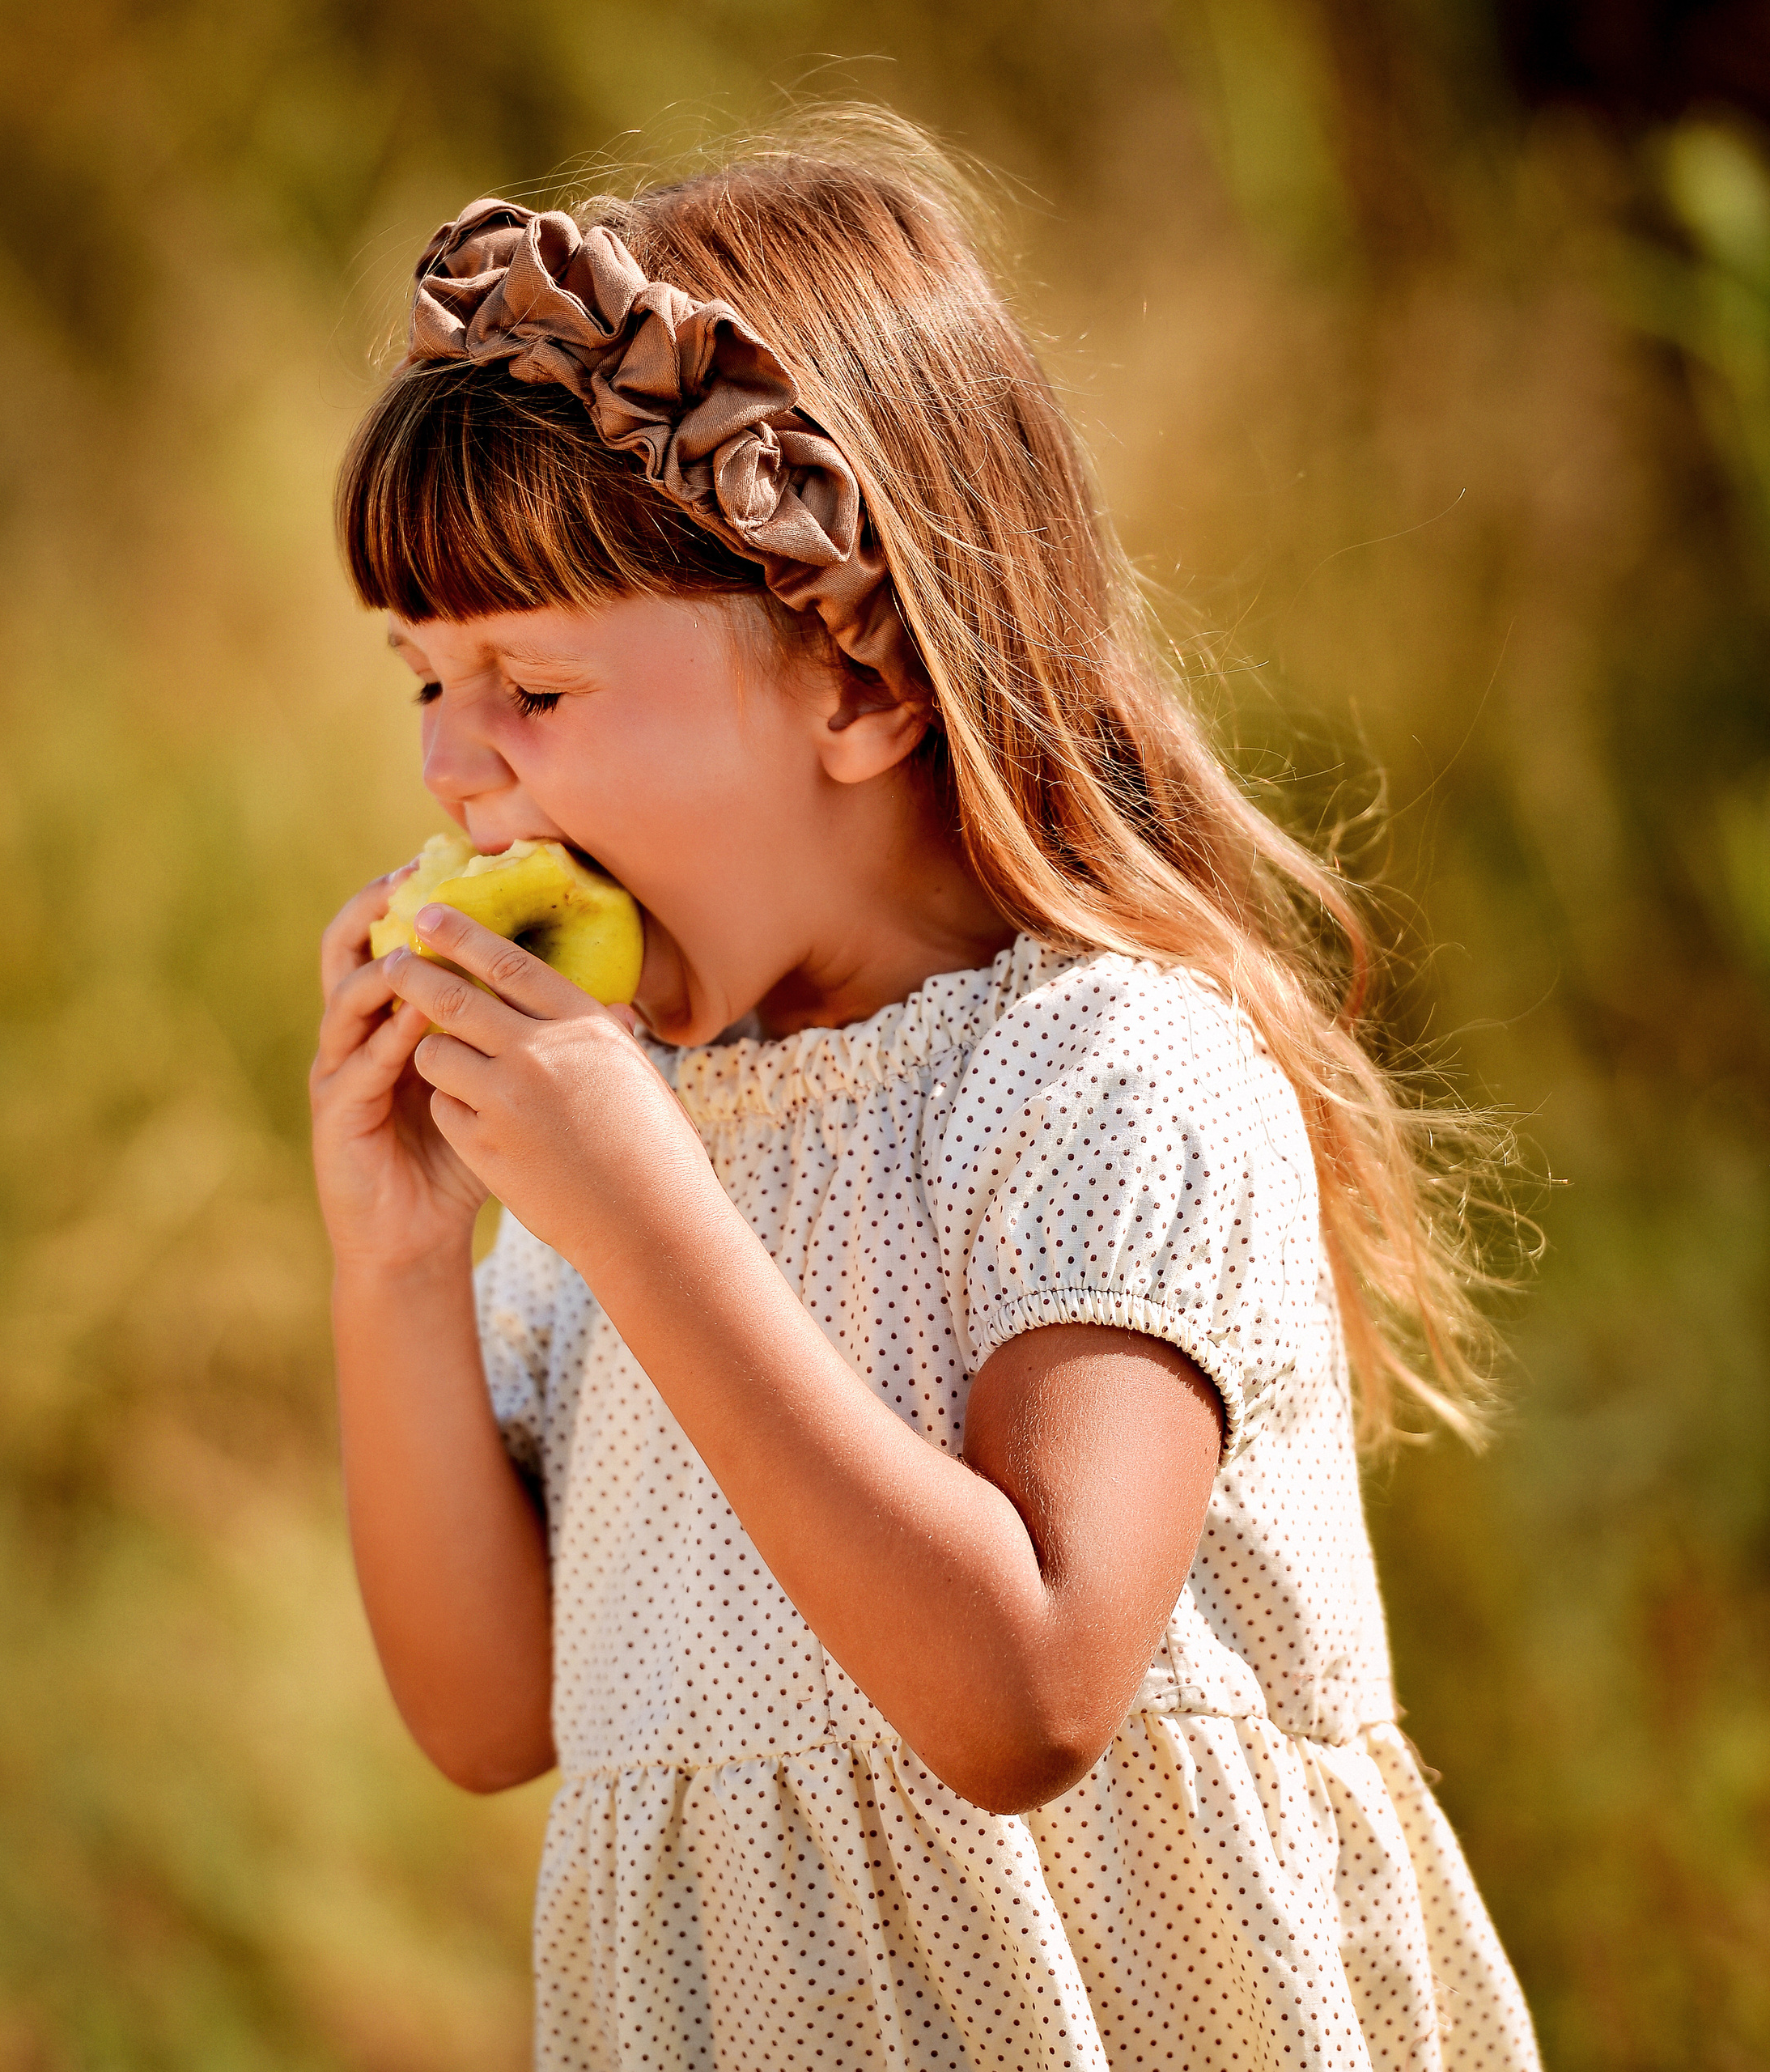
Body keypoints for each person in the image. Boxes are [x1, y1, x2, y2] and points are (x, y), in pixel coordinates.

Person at [308, 114, 1543, 2070]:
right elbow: (484, 1716)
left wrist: (638, 1216)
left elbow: (1025, 1689)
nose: (462, 771)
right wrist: (396, 1263)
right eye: (424, 682)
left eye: (534, 690)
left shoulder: (1102, 1069)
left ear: (857, 689)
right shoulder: (624, 1112)